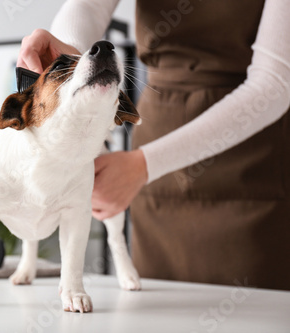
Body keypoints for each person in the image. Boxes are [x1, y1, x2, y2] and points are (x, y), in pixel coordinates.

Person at [17, 0, 290, 290]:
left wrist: (145, 165)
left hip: (247, 155)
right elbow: (90, 5)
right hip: (156, 141)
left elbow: (274, 83)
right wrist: (70, 52)